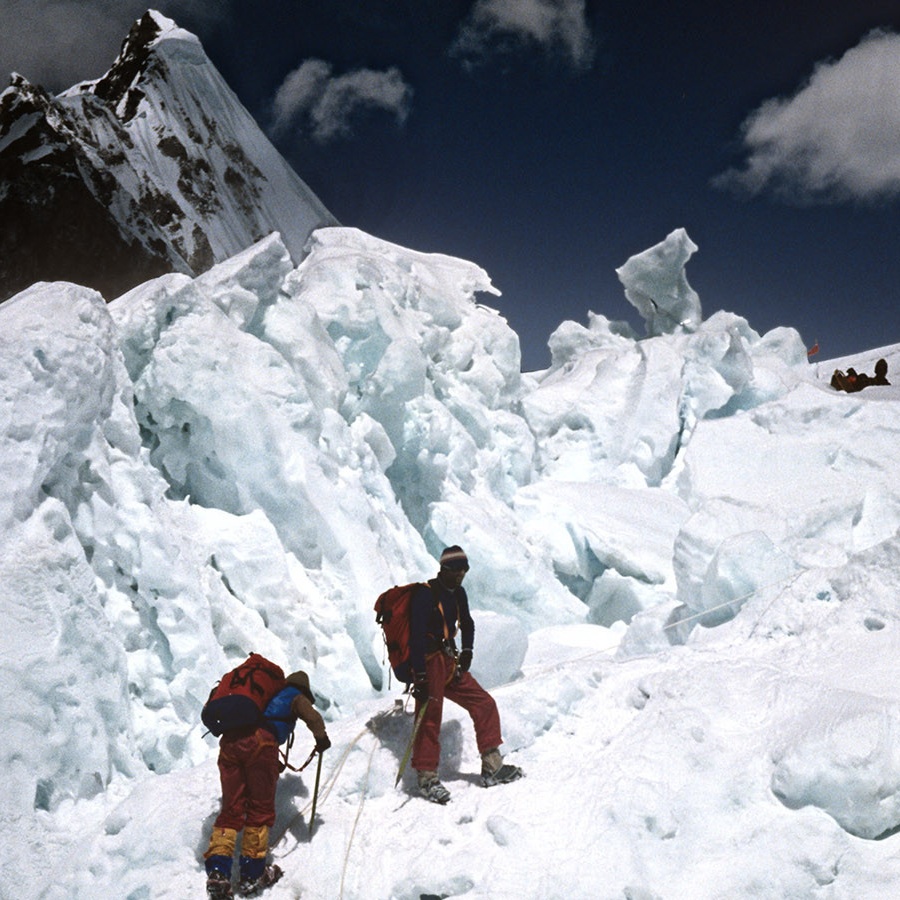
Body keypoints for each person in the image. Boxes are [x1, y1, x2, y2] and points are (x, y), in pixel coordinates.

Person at [409, 545, 522, 804]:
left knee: (484, 703)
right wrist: (421, 676)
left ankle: (492, 766)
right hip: (429, 661)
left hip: (449, 660)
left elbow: (467, 622)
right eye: (457, 570)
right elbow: (415, 637)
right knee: (429, 716)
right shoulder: (425, 595)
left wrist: (468, 650)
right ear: (444, 569)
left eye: (465, 570)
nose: (461, 575)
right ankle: (426, 779)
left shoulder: (458, 593)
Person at [204, 670, 331, 899]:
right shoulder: (293, 695)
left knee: (231, 810)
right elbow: (313, 718)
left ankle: (218, 872)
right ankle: (252, 875)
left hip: (230, 745)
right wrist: (322, 739)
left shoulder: (261, 695)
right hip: (260, 745)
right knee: (259, 811)